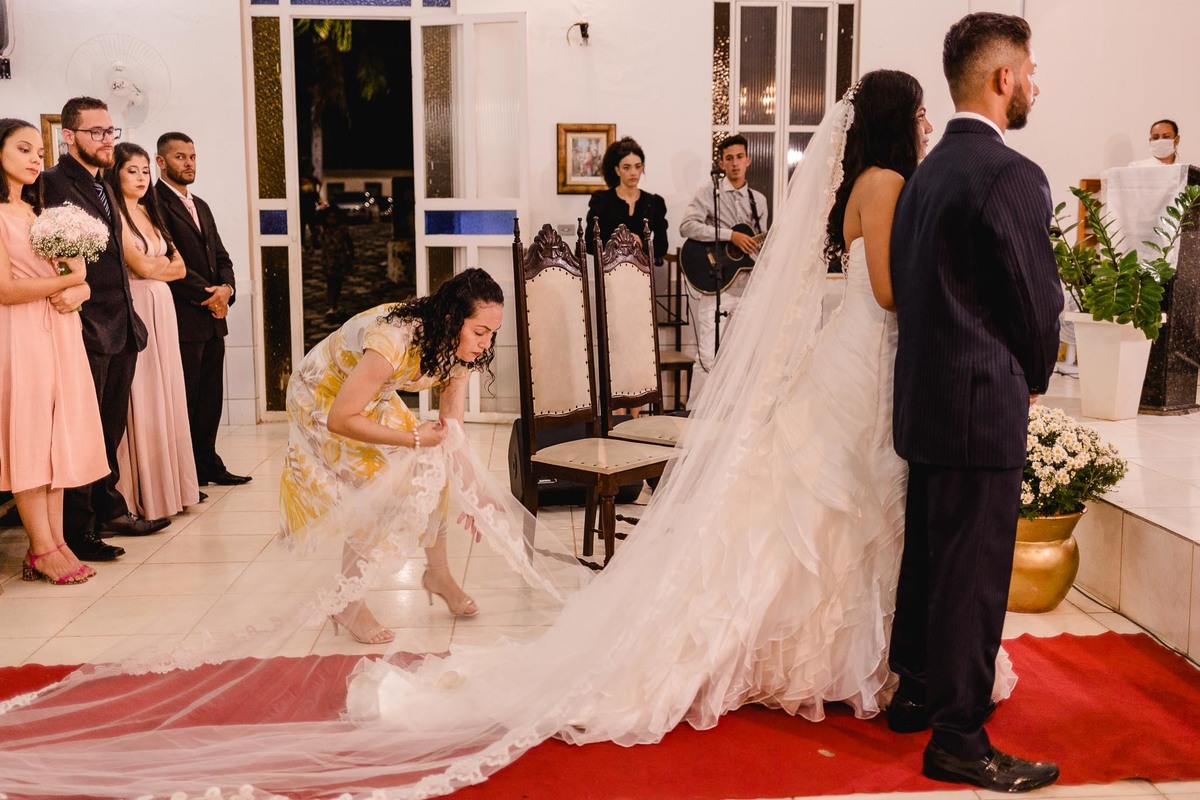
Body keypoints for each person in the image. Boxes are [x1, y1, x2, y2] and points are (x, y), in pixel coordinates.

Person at [0, 72, 1014, 798]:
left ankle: (850, 654)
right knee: (819, 503)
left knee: (830, 508)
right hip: (859, 362)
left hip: (855, 368)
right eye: (920, 112)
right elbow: (884, 288)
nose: (929, 121)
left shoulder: (874, 187)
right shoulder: (886, 188)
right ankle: (815, 654)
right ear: (894, 125)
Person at [888, 12, 1063, 793]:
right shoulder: (1010, 174)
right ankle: (959, 737)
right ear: (1002, 79)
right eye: (1030, 69)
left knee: (929, 558)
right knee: (974, 574)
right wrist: (1031, 373)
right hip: (981, 400)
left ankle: (918, 692)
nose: (1035, 83)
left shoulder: (922, 175)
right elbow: (1037, 305)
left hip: (926, 399)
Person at [279, 268, 505, 644]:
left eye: (492, 334)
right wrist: (411, 438)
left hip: (372, 398)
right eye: (480, 332)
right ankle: (347, 602)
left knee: (433, 470)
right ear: (451, 320)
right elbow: (340, 417)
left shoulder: (459, 347)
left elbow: (451, 426)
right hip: (322, 398)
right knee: (384, 488)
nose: (486, 343)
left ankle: (439, 574)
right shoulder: (393, 341)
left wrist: (474, 490)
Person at [42, 97, 167, 564]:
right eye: (96, 132)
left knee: (110, 429)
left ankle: (109, 506)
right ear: (68, 136)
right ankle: (78, 529)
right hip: (85, 326)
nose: (106, 140)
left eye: (110, 131)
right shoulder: (52, 184)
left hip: (121, 324)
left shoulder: (103, 185)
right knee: (84, 430)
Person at [0, 118, 108, 585]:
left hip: (61, 331)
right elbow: (4, 290)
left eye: (37, 153)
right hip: (21, 332)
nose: (33, 159)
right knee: (30, 438)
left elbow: (79, 274)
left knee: (56, 437)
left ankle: (55, 540)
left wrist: (80, 288)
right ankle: (43, 548)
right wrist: (69, 282)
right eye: (22, 149)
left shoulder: (41, 213)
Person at [106, 142, 202, 519]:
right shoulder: (112, 214)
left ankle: (173, 487)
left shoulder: (152, 211)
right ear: (116, 173)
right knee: (142, 394)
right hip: (138, 306)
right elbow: (142, 269)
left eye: (146, 170)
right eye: (133, 170)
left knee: (168, 392)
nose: (142, 178)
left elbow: (179, 265)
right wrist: (156, 266)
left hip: (163, 308)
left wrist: (156, 265)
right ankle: (142, 492)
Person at [154, 132, 250, 488]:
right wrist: (208, 295)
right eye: (180, 157)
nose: (189, 163)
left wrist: (227, 289)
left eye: (192, 156)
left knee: (211, 397)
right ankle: (187, 471)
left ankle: (208, 462)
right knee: (188, 398)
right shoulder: (155, 204)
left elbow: (221, 257)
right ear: (161, 162)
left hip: (214, 318)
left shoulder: (202, 206)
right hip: (184, 317)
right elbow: (166, 259)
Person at [679, 133, 769, 395]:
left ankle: (731, 415)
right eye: (729, 158)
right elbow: (686, 226)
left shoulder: (758, 200)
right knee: (707, 356)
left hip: (747, 286)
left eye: (739, 157)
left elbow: (759, 245)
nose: (735, 163)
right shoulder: (709, 193)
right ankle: (695, 415)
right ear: (721, 163)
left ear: (748, 160)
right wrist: (731, 236)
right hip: (715, 284)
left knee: (744, 356)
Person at [584, 136, 669, 263]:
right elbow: (590, 243)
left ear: (642, 168)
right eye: (626, 167)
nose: (633, 172)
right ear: (617, 170)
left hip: (643, 272)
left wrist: (643, 245)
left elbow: (662, 247)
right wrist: (617, 243)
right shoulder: (601, 200)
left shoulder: (654, 202)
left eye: (637, 166)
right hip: (609, 271)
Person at [318, 203, 354, 321]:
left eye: (334, 218)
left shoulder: (342, 230)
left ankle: (335, 304)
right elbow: (318, 243)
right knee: (330, 282)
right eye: (329, 218)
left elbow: (349, 244)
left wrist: (351, 256)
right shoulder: (323, 230)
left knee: (338, 283)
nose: (331, 220)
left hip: (340, 259)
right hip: (328, 260)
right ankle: (331, 306)